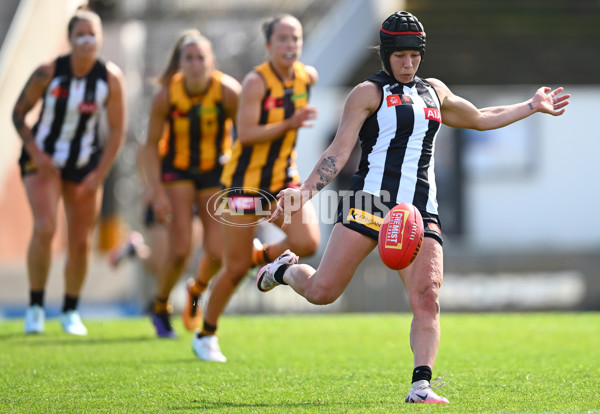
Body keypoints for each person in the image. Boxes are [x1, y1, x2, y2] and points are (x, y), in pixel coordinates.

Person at [258, 11, 570, 404]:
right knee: (322, 292)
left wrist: (531, 104)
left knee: (427, 296)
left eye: (414, 56)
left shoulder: (434, 92)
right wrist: (304, 193)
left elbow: (478, 117)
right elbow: (338, 151)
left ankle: (420, 385)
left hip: (420, 210)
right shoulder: (367, 94)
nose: (408, 64)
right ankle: (284, 269)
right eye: (400, 56)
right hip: (369, 202)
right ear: (386, 55)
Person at [192, 14, 321, 362]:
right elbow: (246, 133)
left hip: (282, 181)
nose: (290, 45)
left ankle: (264, 260)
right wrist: (290, 123)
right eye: (283, 39)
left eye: (295, 38)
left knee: (308, 242)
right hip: (244, 188)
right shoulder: (255, 82)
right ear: (268, 45)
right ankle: (206, 334)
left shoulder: (306, 76)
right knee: (233, 269)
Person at [12, 6, 126, 336]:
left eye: (93, 34)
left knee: (79, 240)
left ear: (100, 39)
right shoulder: (48, 73)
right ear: (70, 39)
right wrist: (36, 152)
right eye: (81, 34)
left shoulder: (110, 78)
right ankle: (35, 308)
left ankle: (70, 311)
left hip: (84, 163)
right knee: (45, 227)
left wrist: (98, 174)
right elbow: (18, 114)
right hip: (43, 159)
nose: (87, 41)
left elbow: (117, 131)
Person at [141, 29, 242, 338]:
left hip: (215, 172)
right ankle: (160, 306)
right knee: (180, 249)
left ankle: (196, 290)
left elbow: (245, 138)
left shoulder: (227, 91)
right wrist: (156, 192)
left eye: (201, 58)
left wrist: (241, 180)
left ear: (211, 62)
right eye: (189, 58)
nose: (195, 63)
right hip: (179, 172)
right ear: (180, 63)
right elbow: (149, 146)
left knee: (216, 253)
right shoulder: (166, 95)